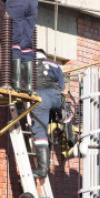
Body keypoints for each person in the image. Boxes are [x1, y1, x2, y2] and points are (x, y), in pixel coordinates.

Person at [30, 50, 65, 178]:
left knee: (39, 131)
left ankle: (43, 168)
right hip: (56, 97)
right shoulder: (55, 64)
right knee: (61, 107)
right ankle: (64, 118)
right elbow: (62, 86)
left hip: (41, 97)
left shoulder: (29, 63)